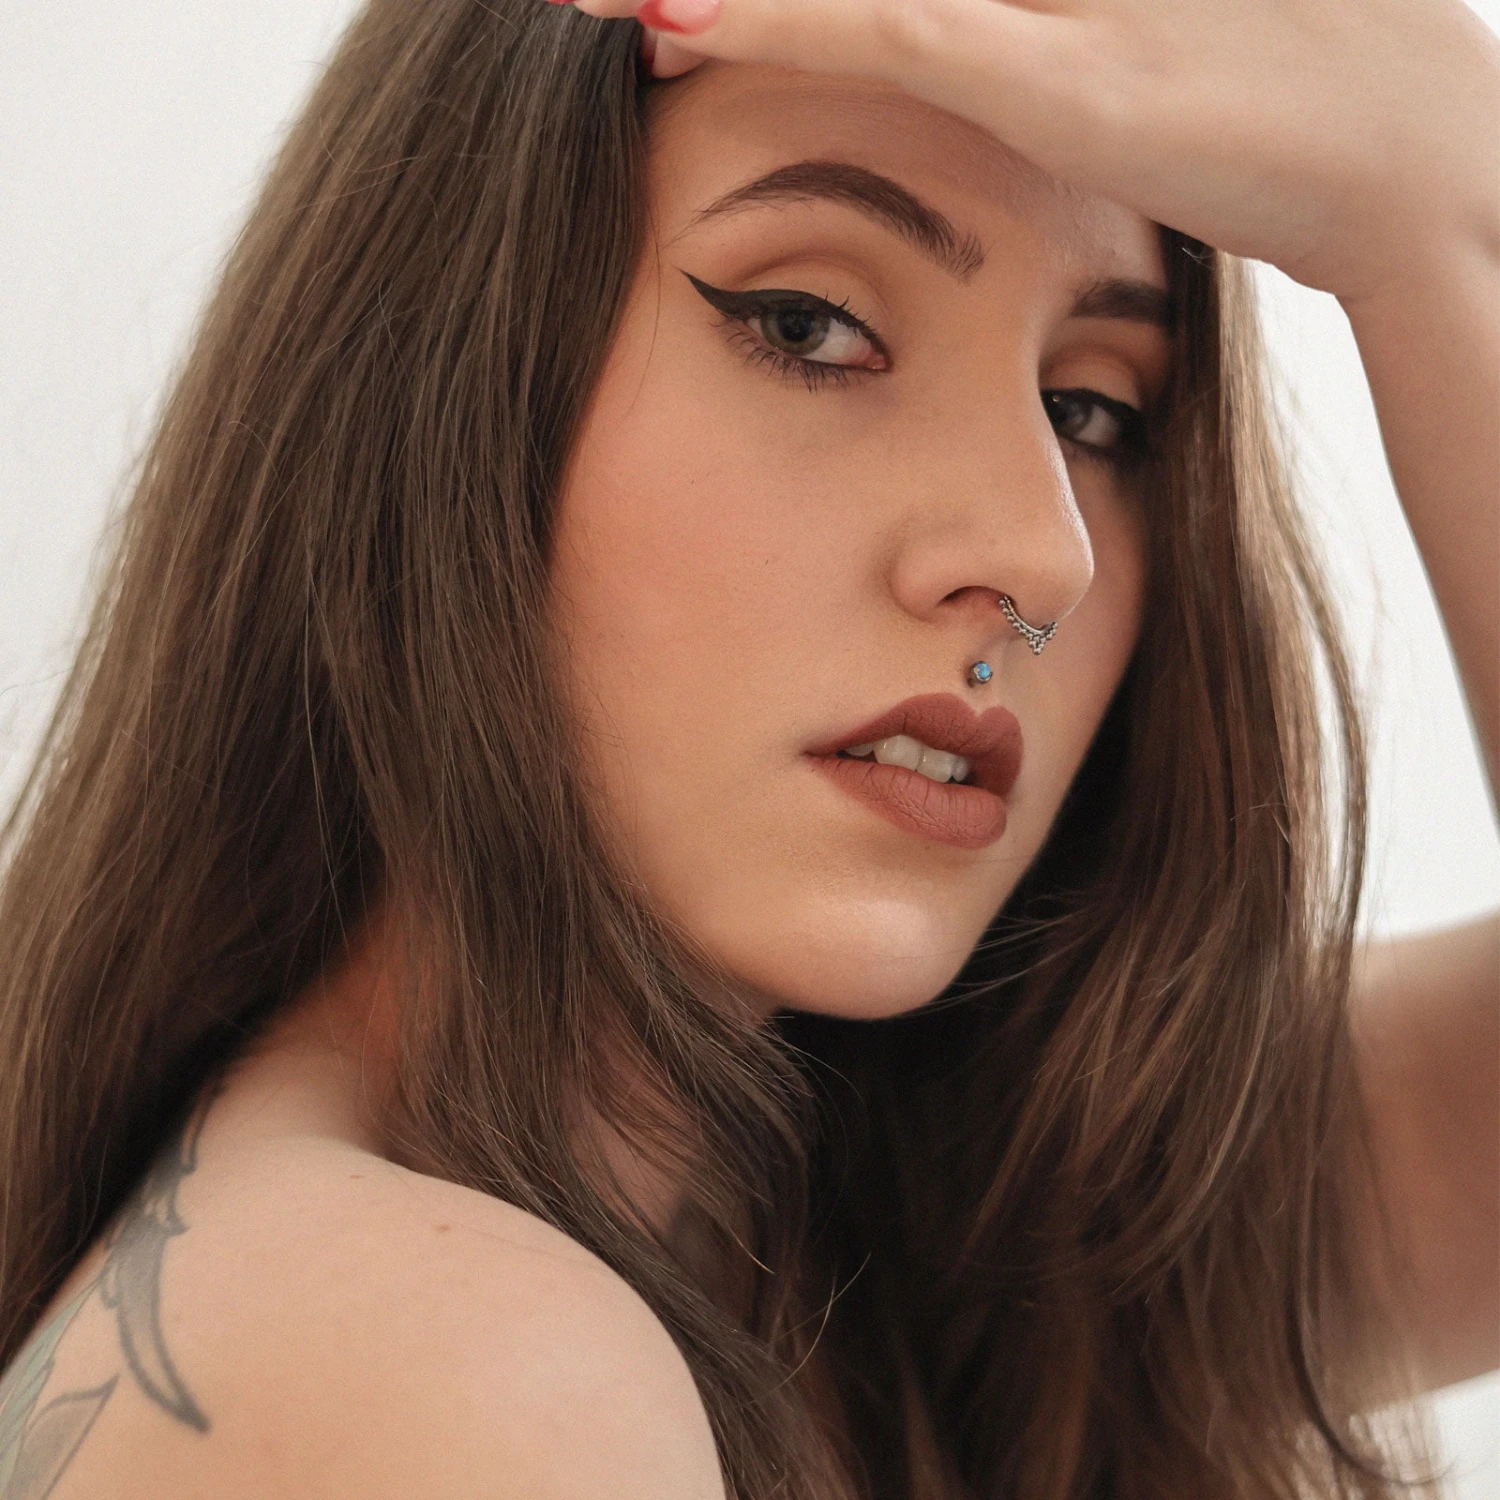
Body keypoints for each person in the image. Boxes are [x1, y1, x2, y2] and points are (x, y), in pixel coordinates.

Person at [0, 0, 1493, 1495]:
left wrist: (1442, 196)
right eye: (809, 327)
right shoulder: (458, 1376)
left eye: (1090, 408)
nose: (1039, 554)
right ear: (428, 381)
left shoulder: (901, 1245)